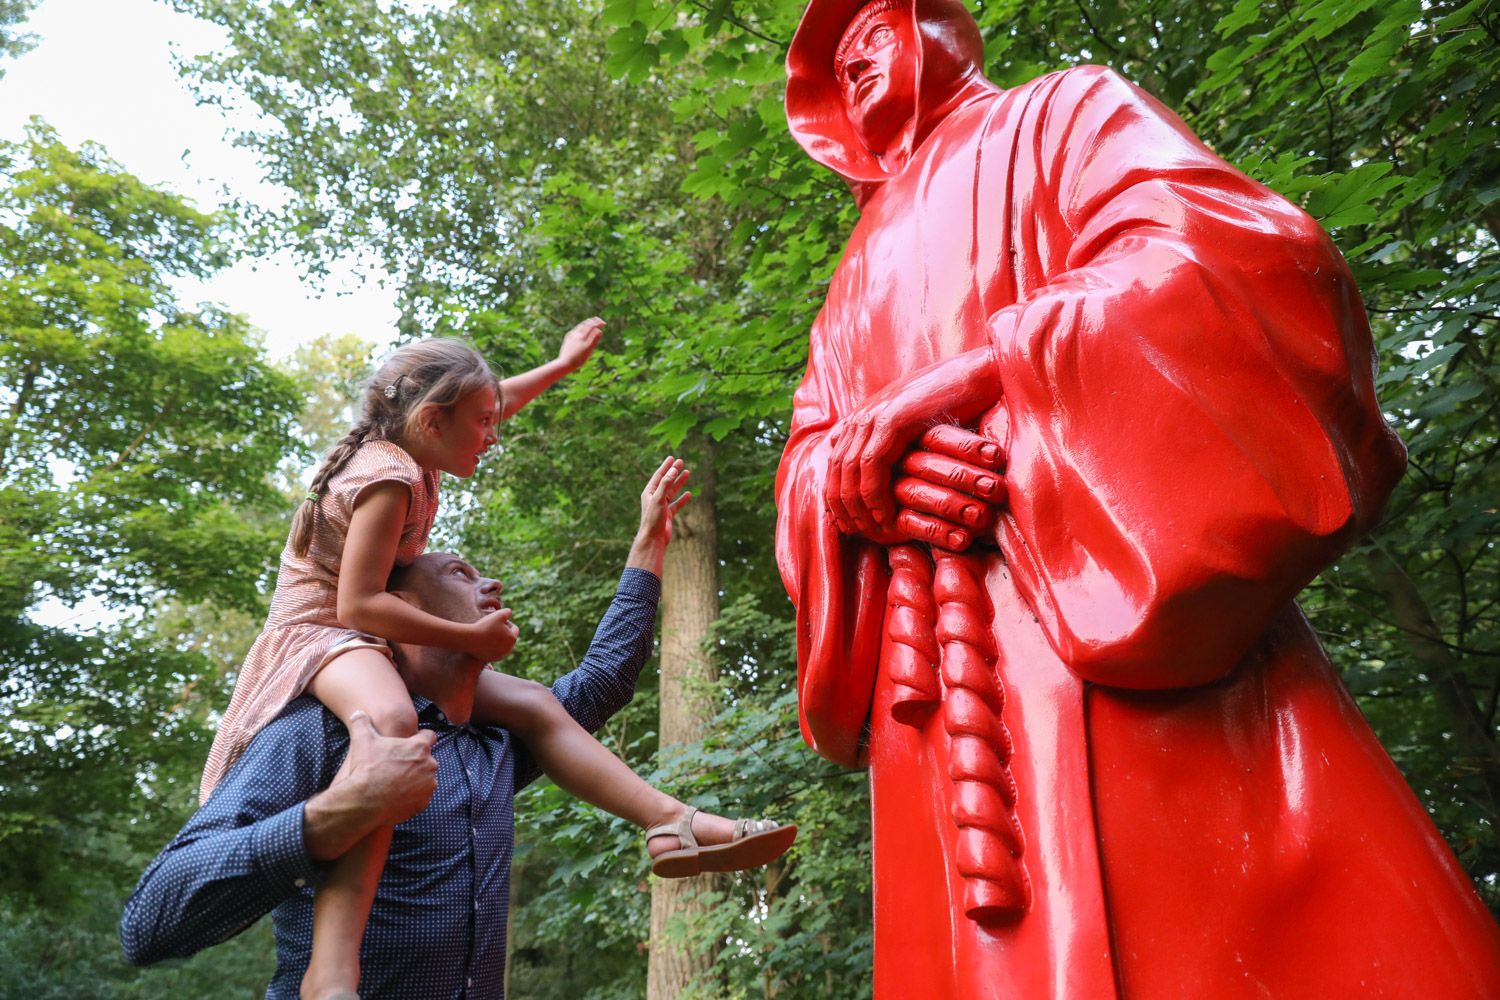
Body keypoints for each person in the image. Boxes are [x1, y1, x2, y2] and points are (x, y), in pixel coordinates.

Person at [774, 0, 1500, 996]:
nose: (850, 53)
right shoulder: (847, 285)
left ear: (937, 25)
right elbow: (810, 455)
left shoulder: (1064, 113)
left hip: (1105, 617)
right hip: (938, 704)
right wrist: (860, 484)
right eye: (829, 55)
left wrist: (968, 382)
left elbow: (1232, 260)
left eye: (872, 27)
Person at [201, 329, 793, 999]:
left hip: (362, 632)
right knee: (392, 725)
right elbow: (359, 604)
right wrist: (477, 641)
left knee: (538, 704)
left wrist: (565, 366)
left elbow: (498, 401)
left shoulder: (418, 449)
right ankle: (331, 969)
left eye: (492, 417)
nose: (494, 433)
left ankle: (670, 821)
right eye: (482, 423)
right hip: (323, 636)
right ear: (432, 420)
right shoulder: (387, 477)